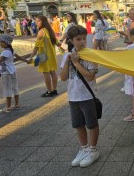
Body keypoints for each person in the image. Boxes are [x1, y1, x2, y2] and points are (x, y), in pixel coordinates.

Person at [60, 25, 100, 168]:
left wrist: (76, 63)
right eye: (78, 39)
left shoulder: (91, 55)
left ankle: (93, 150)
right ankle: (84, 148)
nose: (82, 41)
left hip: (88, 96)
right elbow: (63, 78)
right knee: (78, 124)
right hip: (73, 96)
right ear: (71, 40)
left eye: (84, 38)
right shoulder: (68, 55)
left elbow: (90, 76)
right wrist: (68, 61)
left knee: (91, 124)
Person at [0, 34, 28, 113]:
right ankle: (17, 104)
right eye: (0, 42)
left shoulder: (5, 52)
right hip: (13, 71)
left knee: (7, 89)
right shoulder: (11, 51)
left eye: (2, 42)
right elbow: (20, 58)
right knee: (15, 87)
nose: (0, 44)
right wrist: (27, 61)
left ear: (7, 43)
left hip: (6, 73)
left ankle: (8, 107)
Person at [28, 15, 61, 97]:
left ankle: (49, 91)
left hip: (44, 55)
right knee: (53, 72)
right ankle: (54, 90)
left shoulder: (41, 32)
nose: (36, 23)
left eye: (38, 21)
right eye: (36, 21)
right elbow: (58, 43)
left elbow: (36, 46)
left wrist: (31, 57)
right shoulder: (50, 30)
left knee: (46, 73)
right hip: (52, 55)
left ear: (43, 22)